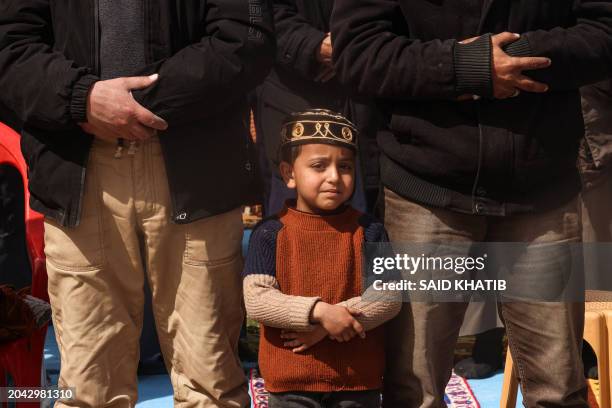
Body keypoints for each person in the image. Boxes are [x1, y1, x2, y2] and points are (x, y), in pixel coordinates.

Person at [331, 1, 612, 407]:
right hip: (424, 185)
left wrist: (517, 56)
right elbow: (357, 52)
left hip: (542, 187)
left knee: (558, 389)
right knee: (413, 389)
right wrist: (466, 66)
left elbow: (603, 31)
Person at [0, 1, 275, 406]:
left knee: (210, 383)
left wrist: (138, 103)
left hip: (196, 165)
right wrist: (83, 99)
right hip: (77, 163)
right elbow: (9, 46)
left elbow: (246, 38)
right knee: (90, 389)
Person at [243, 109, 400, 408]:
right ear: (289, 174)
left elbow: (389, 295)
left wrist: (332, 320)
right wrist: (319, 313)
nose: (334, 177)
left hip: (356, 380)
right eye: (318, 165)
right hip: (290, 383)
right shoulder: (269, 233)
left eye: (345, 166)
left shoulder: (371, 230)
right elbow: (257, 299)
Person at [254, 0, 380, 217]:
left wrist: (352, 48)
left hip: (374, 115)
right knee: (288, 235)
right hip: (293, 105)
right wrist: (314, 46)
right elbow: (262, 16)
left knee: (365, 237)